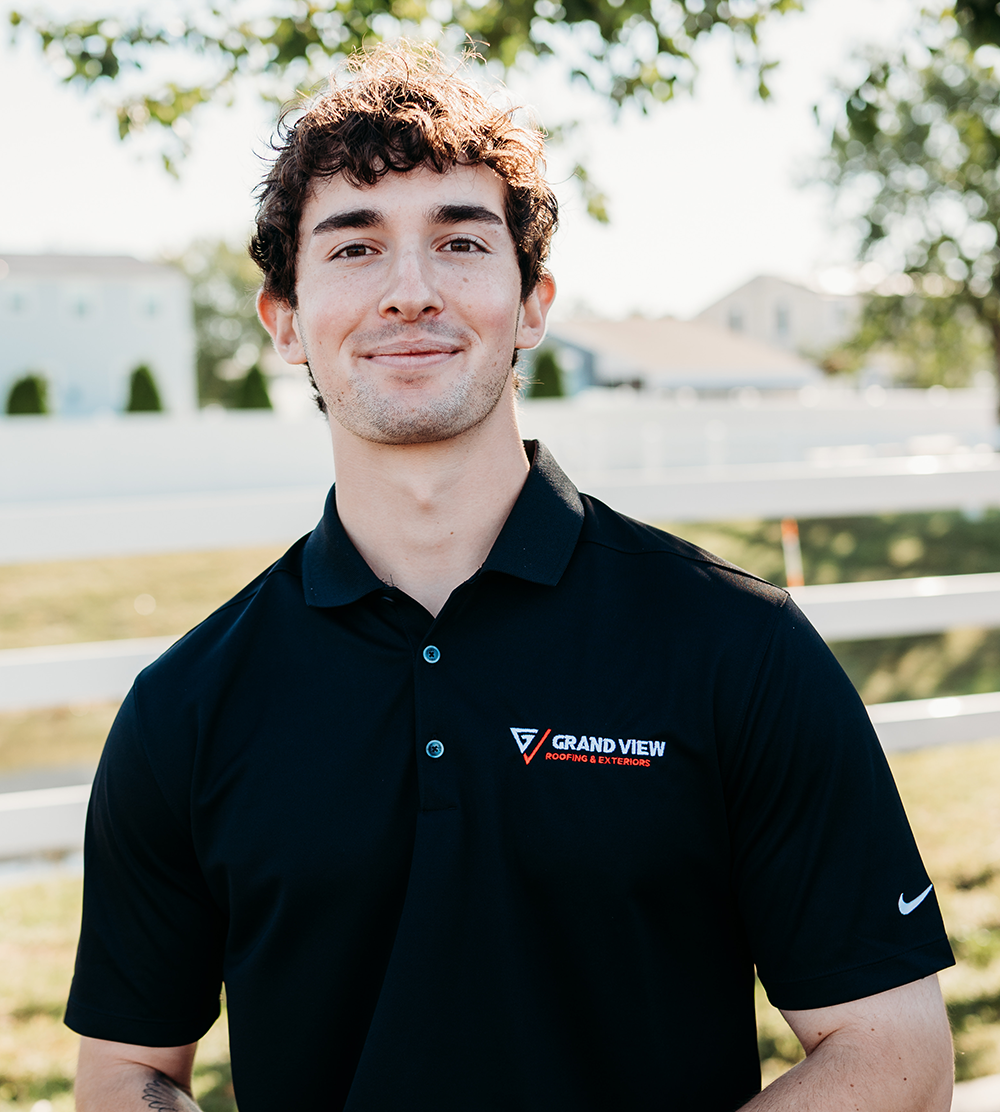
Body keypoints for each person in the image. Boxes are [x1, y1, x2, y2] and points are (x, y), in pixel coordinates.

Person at [68, 44, 955, 1112]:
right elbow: (125, 1070)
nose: (410, 291)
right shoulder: (187, 705)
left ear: (531, 304)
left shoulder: (735, 644)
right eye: (354, 248)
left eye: (458, 241)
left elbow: (894, 1051)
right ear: (285, 321)